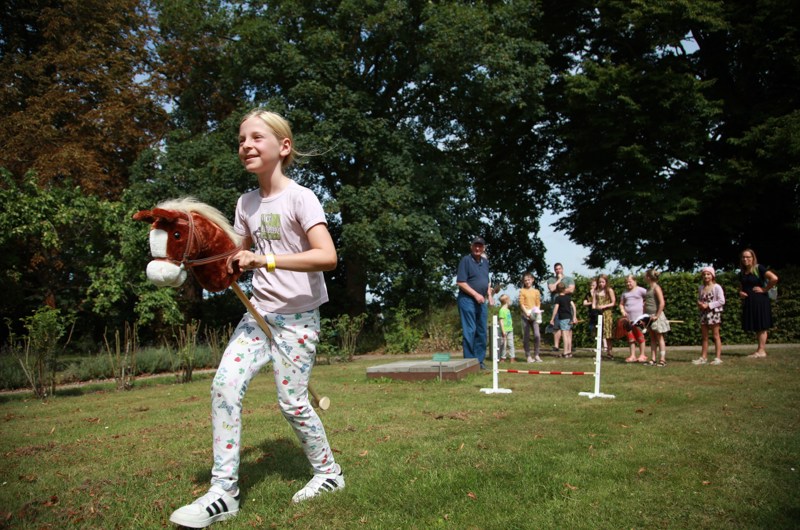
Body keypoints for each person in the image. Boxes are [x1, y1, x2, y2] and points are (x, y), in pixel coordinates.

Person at [169, 110, 342, 528]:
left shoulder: (302, 197)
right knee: (224, 385)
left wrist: (264, 259)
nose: (246, 144)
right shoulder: (245, 203)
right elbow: (235, 260)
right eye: (241, 138)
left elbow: (328, 257)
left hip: (299, 320)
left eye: (256, 137)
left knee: (293, 403)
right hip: (258, 315)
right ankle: (223, 492)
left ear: (283, 147)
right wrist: (194, 258)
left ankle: (329, 475)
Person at [457, 237, 494, 369]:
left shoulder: (485, 262)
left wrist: (489, 295)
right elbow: (461, 282)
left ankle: (479, 361)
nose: (477, 248)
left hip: (481, 301)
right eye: (475, 246)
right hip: (467, 300)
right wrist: (475, 294)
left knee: (482, 331)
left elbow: (486, 281)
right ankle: (469, 362)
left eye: (480, 246)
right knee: (470, 330)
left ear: (483, 248)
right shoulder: (466, 260)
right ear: (471, 247)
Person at [738, 248, 779, 358]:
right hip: (750, 302)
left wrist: (765, 289)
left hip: (760, 301)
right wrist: (741, 293)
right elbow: (741, 287)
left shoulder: (759, 268)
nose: (745, 259)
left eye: (748, 257)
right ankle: (759, 350)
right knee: (757, 326)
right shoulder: (742, 272)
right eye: (743, 257)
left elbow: (774, 278)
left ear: (753, 258)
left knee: (761, 326)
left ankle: (761, 351)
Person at [693, 266, 726, 365]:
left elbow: (721, 301)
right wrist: (700, 304)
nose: (706, 276)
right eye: (704, 274)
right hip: (703, 314)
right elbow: (700, 299)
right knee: (704, 337)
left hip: (714, 314)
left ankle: (718, 358)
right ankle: (703, 357)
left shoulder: (717, 287)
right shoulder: (701, 288)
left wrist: (709, 305)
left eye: (708, 274)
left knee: (716, 336)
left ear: (712, 275)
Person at [643, 269, 670, 367]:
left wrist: (657, 316)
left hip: (656, 316)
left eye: (645, 275)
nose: (644, 277)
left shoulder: (656, 288)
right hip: (649, 316)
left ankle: (662, 359)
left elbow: (662, 303)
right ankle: (653, 359)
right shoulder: (648, 288)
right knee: (652, 338)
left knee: (659, 337)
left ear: (649, 277)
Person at [546, 263, 575, 352]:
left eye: (559, 269)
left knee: (568, 328)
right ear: (554, 270)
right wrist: (559, 280)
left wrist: (559, 290)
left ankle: (569, 348)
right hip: (556, 305)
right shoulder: (551, 279)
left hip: (566, 306)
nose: (558, 270)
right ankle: (556, 346)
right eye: (556, 269)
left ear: (562, 269)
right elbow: (551, 289)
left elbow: (571, 289)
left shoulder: (569, 279)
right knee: (556, 326)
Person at [619, 274, 647, 363]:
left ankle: (642, 355)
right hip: (628, 320)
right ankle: (632, 355)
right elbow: (621, 304)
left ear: (635, 281)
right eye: (626, 282)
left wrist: (645, 305)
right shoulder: (624, 293)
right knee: (631, 338)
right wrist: (622, 311)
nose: (628, 284)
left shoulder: (641, 290)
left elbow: (650, 297)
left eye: (630, 281)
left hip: (639, 319)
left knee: (640, 337)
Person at [549, 283, 577, 358]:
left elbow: (556, 308)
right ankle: (569, 351)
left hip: (563, 318)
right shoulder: (568, 297)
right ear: (565, 289)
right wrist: (574, 316)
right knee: (568, 335)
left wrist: (552, 318)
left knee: (564, 335)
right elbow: (574, 307)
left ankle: (565, 352)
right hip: (569, 317)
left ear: (557, 290)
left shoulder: (558, 298)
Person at [519, 272, 542, 362]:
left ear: (532, 280)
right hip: (525, 315)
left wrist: (536, 312)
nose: (527, 282)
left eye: (529, 280)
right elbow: (521, 303)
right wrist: (527, 313)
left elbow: (538, 303)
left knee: (537, 335)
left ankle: (536, 354)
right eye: (525, 280)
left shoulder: (536, 291)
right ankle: (528, 355)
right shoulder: (522, 291)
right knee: (526, 336)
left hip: (535, 315)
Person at [594, 275, 616, 359]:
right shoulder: (597, 291)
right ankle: (599, 353)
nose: (601, 284)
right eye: (599, 282)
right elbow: (595, 303)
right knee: (599, 334)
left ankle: (609, 353)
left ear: (606, 282)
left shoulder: (609, 290)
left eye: (603, 282)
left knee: (608, 334)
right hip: (599, 313)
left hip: (607, 313)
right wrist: (596, 307)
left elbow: (613, 302)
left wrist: (604, 306)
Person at [498, 294, 516, 362]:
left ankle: (512, 358)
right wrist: (503, 331)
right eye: (509, 299)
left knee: (511, 344)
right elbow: (501, 321)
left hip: (510, 330)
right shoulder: (501, 310)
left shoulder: (508, 310)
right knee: (504, 345)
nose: (510, 301)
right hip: (504, 331)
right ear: (506, 301)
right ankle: (503, 358)